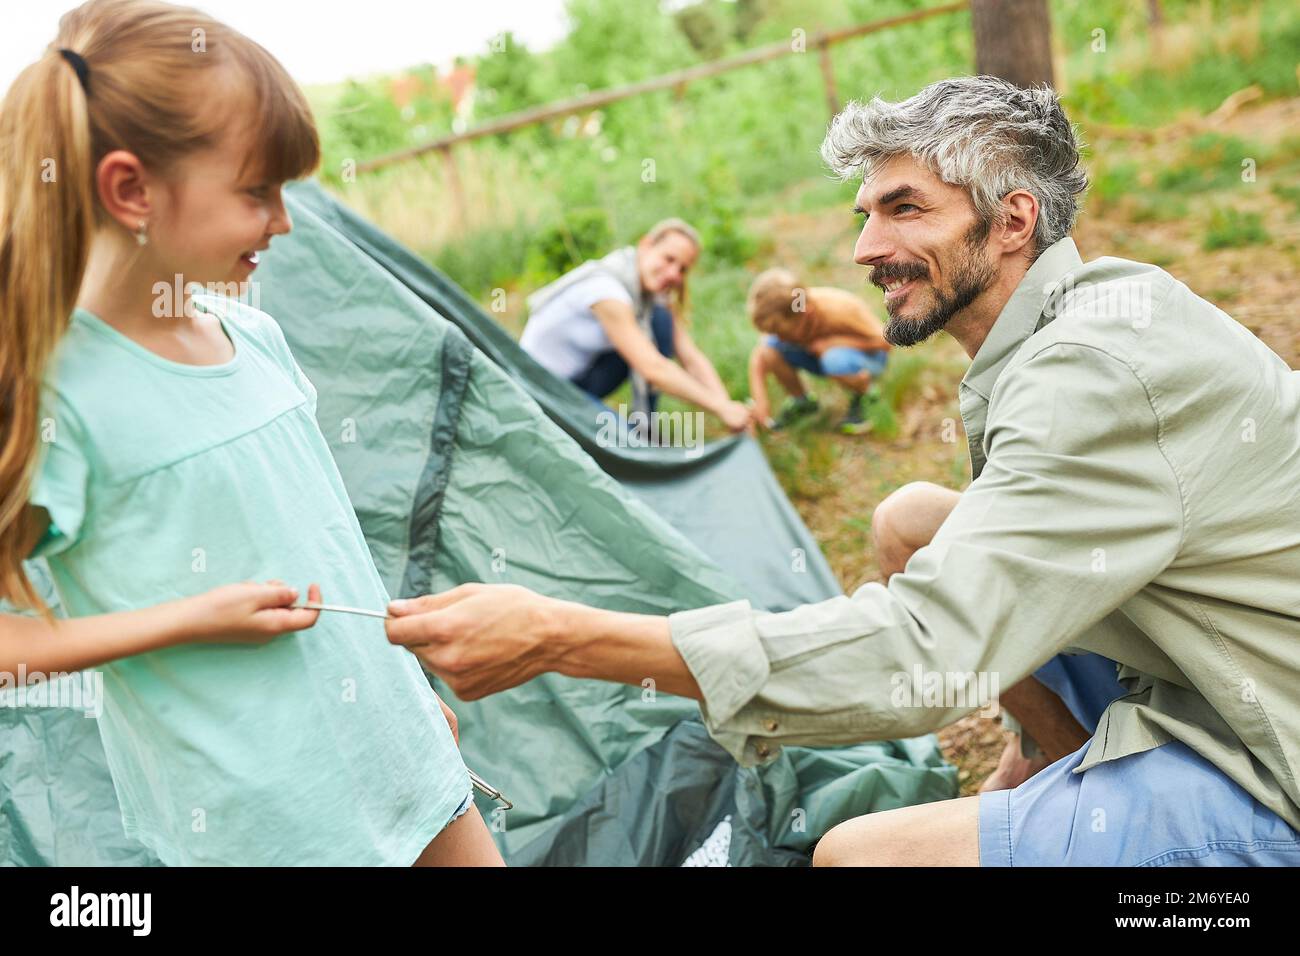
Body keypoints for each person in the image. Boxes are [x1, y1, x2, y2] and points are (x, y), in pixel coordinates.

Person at [384, 76, 1300, 866]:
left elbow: (924, 653)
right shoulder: (1086, 311)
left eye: (904, 207)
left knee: (861, 856)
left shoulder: (1095, 374)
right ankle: (1058, 763)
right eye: (865, 214)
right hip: (1211, 657)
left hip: (1270, 749)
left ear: (1014, 217)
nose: (863, 249)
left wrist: (561, 638)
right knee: (909, 522)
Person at [0, 0, 501, 866]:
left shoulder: (255, 337)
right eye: (256, 192)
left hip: (403, 762)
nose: (285, 221)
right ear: (131, 191)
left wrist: (403, 694)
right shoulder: (57, 397)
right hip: (259, 827)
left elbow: (325, 548)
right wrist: (189, 617)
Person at [520, 219, 752, 434]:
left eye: (683, 269)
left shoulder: (649, 295)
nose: (674, 274)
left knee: (661, 320)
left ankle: (644, 426)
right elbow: (654, 369)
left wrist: (728, 407)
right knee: (624, 445)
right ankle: (634, 438)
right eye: (669, 259)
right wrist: (719, 408)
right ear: (645, 245)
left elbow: (690, 357)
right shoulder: (607, 290)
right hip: (541, 390)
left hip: (581, 379)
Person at [746, 267, 891, 434]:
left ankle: (864, 392)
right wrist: (761, 403)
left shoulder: (838, 310)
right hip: (822, 356)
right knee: (769, 349)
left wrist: (835, 343)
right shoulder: (795, 309)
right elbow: (760, 356)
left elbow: (885, 342)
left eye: (783, 333)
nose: (782, 339)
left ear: (807, 314)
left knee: (833, 359)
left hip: (869, 358)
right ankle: (802, 401)